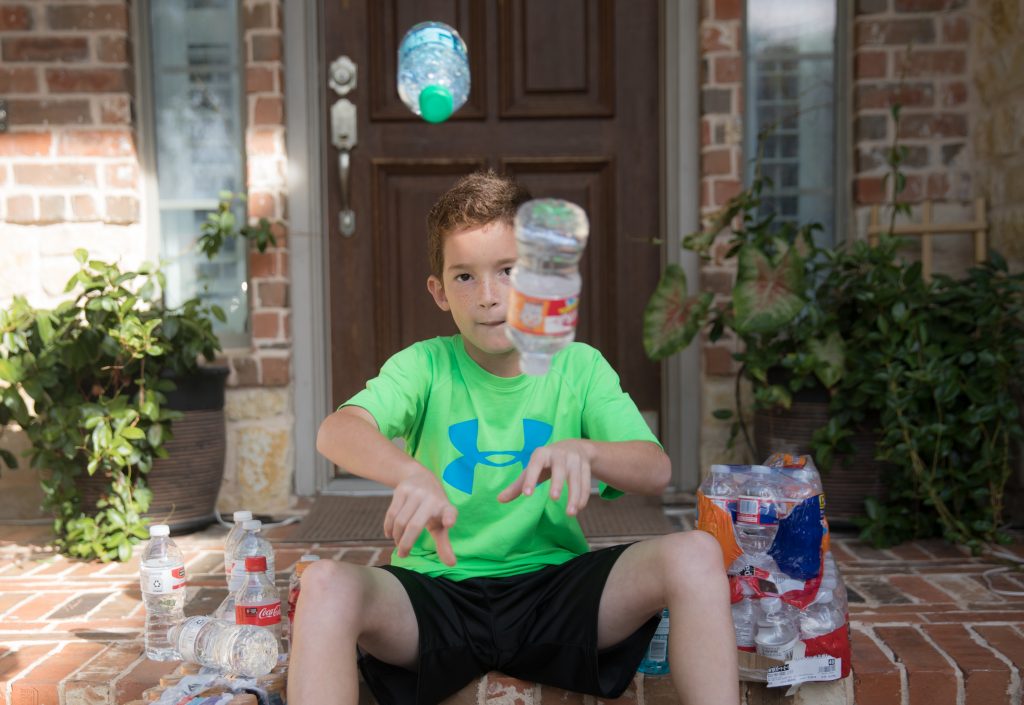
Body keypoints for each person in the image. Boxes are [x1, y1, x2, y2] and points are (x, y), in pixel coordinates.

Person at [288, 171, 738, 705]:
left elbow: (654, 468)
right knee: (322, 584)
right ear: (438, 291)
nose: (489, 296)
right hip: (436, 595)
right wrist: (409, 471)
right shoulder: (424, 366)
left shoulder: (579, 366)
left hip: (554, 591)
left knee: (695, 554)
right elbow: (336, 430)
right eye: (464, 277)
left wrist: (587, 450)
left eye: (509, 271)